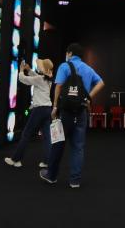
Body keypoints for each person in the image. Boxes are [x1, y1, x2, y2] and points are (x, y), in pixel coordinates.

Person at [42, 43, 105, 188]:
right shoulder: (88, 69)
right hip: (81, 112)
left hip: (65, 112)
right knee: (78, 147)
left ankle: (51, 176)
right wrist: (88, 98)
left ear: (69, 53)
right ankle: (75, 181)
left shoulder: (64, 66)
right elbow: (101, 83)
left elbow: (58, 86)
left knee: (58, 143)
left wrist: (55, 106)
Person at [4, 59, 54, 169]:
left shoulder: (40, 79)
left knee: (26, 134)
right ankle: (48, 161)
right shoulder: (48, 79)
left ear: (43, 69)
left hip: (39, 110)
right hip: (47, 110)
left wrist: (21, 70)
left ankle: (15, 159)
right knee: (47, 137)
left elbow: (23, 79)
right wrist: (30, 70)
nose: (38, 66)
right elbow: (37, 76)